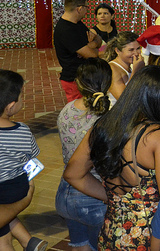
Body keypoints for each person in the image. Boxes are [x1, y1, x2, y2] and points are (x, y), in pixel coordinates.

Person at [63, 65, 160, 250]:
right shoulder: (158, 135)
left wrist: (114, 197)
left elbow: (72, 174)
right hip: (149, 236)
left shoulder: (102, 126)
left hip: (111, 232)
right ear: (155, 98)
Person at [55, 58, 111, 251]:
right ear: (108, 83)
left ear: (78, 83)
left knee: (80, 246)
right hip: (95, 195)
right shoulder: (108, 118)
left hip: (65, 194)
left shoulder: (66, 111)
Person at [0, 70, 48, 251]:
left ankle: (27, 242)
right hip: (18, 186)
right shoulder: (22, 130)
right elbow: (32, 154)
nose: (23, 100)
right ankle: (29, 242)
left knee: (2, 239)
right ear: (11, 106)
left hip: (2, 189)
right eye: (22, 97)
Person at [54, 0, 102, 102]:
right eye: (86, 7)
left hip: (84, 77)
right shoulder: (66, 30)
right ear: (79, 9)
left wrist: (93, 44)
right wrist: (93, 45)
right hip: (74, 80)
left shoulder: (77, 23)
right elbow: (92, 54)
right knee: (79, 112)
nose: (86, 11)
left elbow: (98, 38)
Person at [103, 31, 144, 103]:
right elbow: (124, 100)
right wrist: (136, 71)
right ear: (117, 50)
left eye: (138, 48)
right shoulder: (112, 69)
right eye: (131, 50)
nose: (136, 53)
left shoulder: (130, 67)